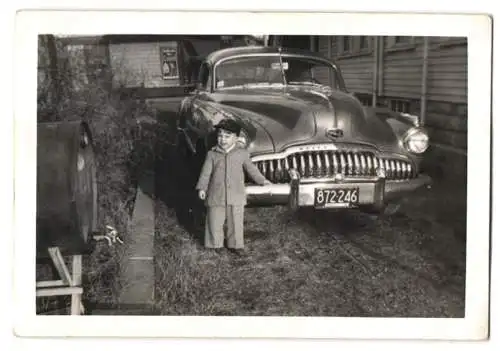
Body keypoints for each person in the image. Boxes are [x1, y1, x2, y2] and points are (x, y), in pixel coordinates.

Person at [195, 119, 272, 255]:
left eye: (227, 136)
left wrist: (262, 181)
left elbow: (252, 170)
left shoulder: (242, 154)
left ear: (236, 138)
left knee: (235, 221)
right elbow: (205, 173)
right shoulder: (212, 154)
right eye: (220, 135)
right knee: (214, 219)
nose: (222, 139)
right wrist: (202, 188)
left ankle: (236, 244)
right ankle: (215, 244)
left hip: (236, 194)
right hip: (216, 193)